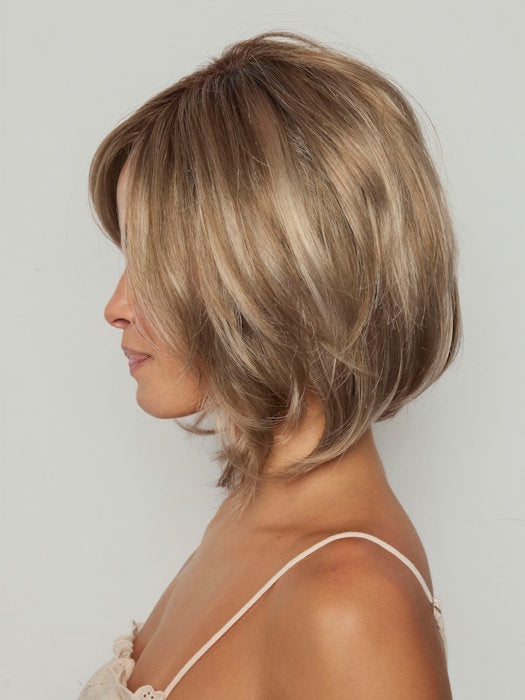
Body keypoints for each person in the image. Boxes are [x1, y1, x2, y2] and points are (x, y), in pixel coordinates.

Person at [80, 29, 461, 699]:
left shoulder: (347, 603)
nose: (116, 307)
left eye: (157, 266)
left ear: (283, 277)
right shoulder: (253, 514)